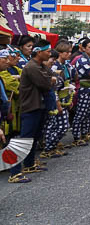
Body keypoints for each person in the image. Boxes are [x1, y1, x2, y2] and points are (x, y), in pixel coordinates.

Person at [7, 44, 55, 183]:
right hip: (30, 107)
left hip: (39, 106)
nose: (50, 54)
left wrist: (52, 78)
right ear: (38, 52)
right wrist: (51, 79)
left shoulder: (40, 66)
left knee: (34, 137)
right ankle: (14, 173)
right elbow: (46, 83)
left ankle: (29, 164)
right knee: (24, 139)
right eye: (48, 51)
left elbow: (55, 77)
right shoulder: (32, 67)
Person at [42, 41, 74, 158]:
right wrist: (58, 103)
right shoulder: (52, 68)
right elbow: (53, 89)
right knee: (59, 126)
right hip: (55, 100)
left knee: (60, 125)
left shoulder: (65, 65)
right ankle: (48, 147)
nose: (69, 54)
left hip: (63, 98)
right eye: (67, 52)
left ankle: (52, 146)